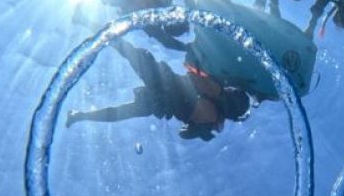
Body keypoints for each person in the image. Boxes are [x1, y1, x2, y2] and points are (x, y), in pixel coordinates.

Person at [66, 37, 251, 141]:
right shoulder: (212, 124)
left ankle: (106, 35)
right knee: (121, 113)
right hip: (161, 105)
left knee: (135, 56)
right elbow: (184, 133)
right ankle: (79, 116)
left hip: (166, 84)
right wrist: (197, 127)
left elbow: (191, 69)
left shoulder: (216, 91)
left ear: (232, 94)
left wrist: (200, 68)